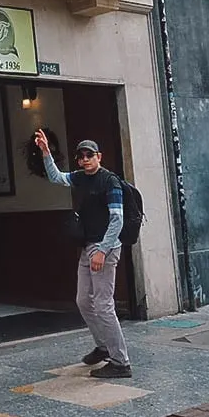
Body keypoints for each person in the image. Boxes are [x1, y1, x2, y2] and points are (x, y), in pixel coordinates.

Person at [35, 131, 131, 378]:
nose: (86, 159)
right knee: (83, 301)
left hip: (105, 249)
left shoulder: (109, 182)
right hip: (89, 248)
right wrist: (46, 152)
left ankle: (121, 362)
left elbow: (117, 219)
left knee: (103, 305)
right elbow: (57, 177)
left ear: (99, 156)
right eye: (81, 156)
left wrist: (102, 250)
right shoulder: (81, 178)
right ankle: (102, 347)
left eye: (90, 155)